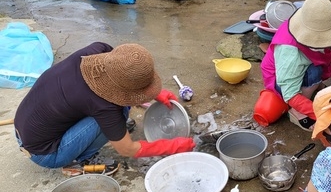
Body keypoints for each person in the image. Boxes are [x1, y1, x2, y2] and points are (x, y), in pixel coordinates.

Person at [14, 42, 195, 169]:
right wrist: (173, 146)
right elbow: (127, 149)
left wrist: (155, 93)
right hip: (44, 153)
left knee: (114, 116)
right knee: (120, 112)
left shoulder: (99, 51)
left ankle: (109, 131)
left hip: (24, 125)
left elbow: (123, 79)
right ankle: (83, 158)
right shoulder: (105, 107)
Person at [259, 0, 331, 131]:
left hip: (302, 64)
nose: (325, 41)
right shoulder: (290, 53)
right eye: (319, 39)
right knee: (314, 72)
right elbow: (290, 94)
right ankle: (297, 112)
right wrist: (322, 114)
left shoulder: (312, 21)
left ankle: (312, 87)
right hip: (280, 79)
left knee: (315, 70)